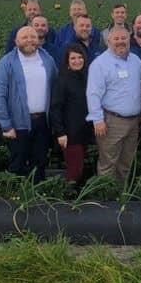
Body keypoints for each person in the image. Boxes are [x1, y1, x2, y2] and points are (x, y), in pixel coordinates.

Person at [0, 25, 58, 182]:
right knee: (18, 161)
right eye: (25, 37)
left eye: (33, 37)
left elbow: (56, 86)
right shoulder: (6, 62)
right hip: (17, 123)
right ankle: (17, 198)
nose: (29, 40)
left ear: (39, 40)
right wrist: (6, 124)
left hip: (42, 121)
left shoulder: (47, 59)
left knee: (40, 161)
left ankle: (37, 195)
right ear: (16, 41)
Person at [86, 26, 141, 183]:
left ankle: (120, 197)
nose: (120, 42)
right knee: (108, 163)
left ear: (129, 39)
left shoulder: (136, 61)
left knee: (126, 163)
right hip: (111, 121)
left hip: (133, 122)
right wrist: (97, 120)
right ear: (108, 41)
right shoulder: (100, 64)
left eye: (124, 38)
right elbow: (93, 94)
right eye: (116, 39)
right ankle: (106, 200)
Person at [49, 44, 94, 182]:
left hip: (85, 132)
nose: (77, 61)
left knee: (80, 168)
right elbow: (55, 108)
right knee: (74, 170)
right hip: (70, 134)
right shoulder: (62, 80)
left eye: (80, 57)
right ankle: (68, 200)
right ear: (67, 61)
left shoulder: (88, 77)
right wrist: (60, 133)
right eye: (73, 58)